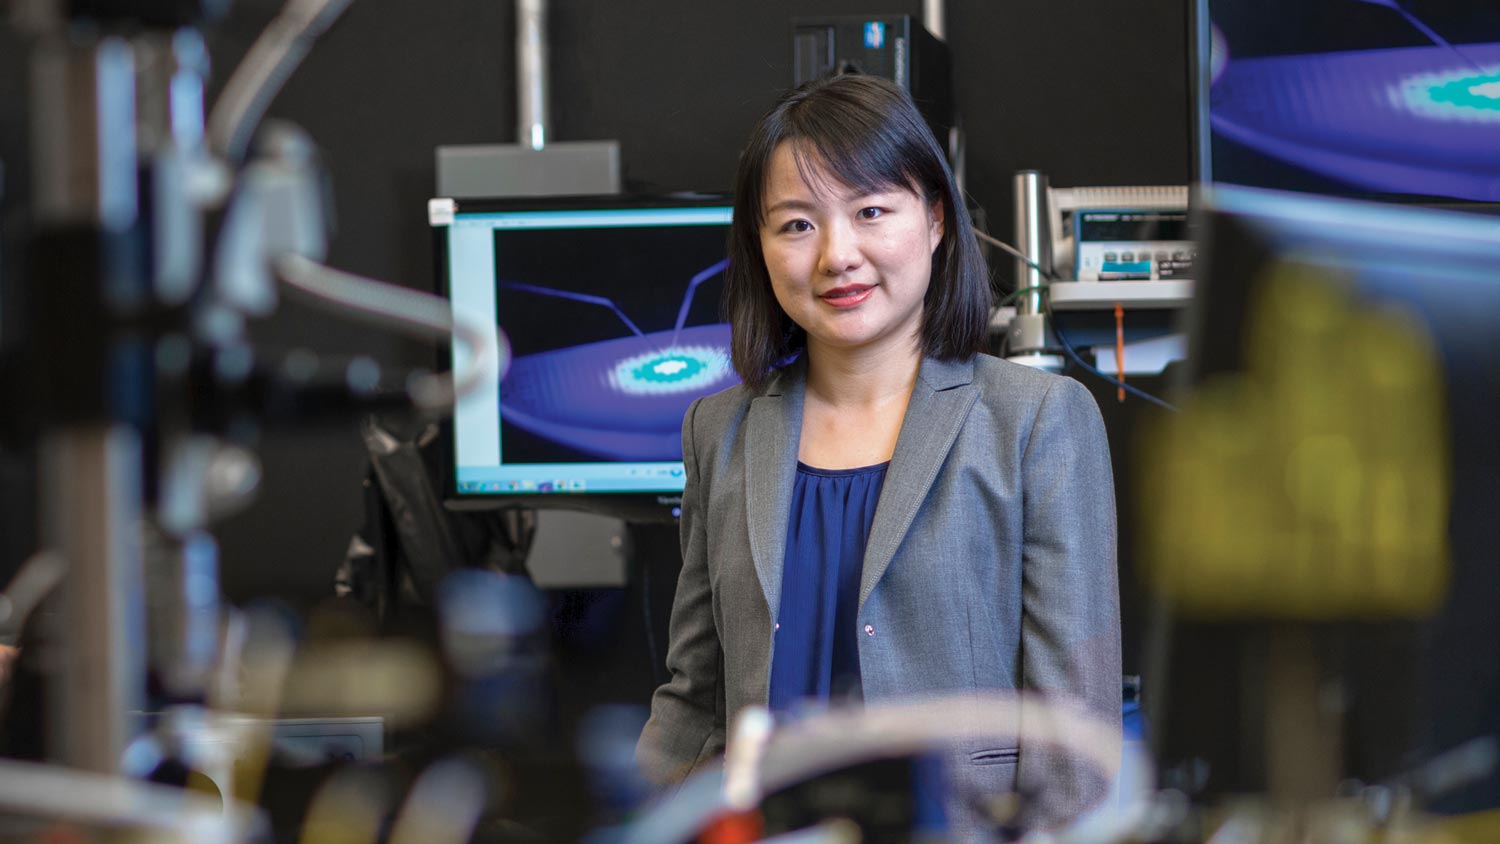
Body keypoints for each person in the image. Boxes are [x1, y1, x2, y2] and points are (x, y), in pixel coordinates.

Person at [637, 73, 1120, 837]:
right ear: (759, 245)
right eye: (796, 225)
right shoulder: (717, 430)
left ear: (933, 219)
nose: (837, 255)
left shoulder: (1037, 423)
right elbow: (695, 703)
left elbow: (1075, 734)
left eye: (870, 212)